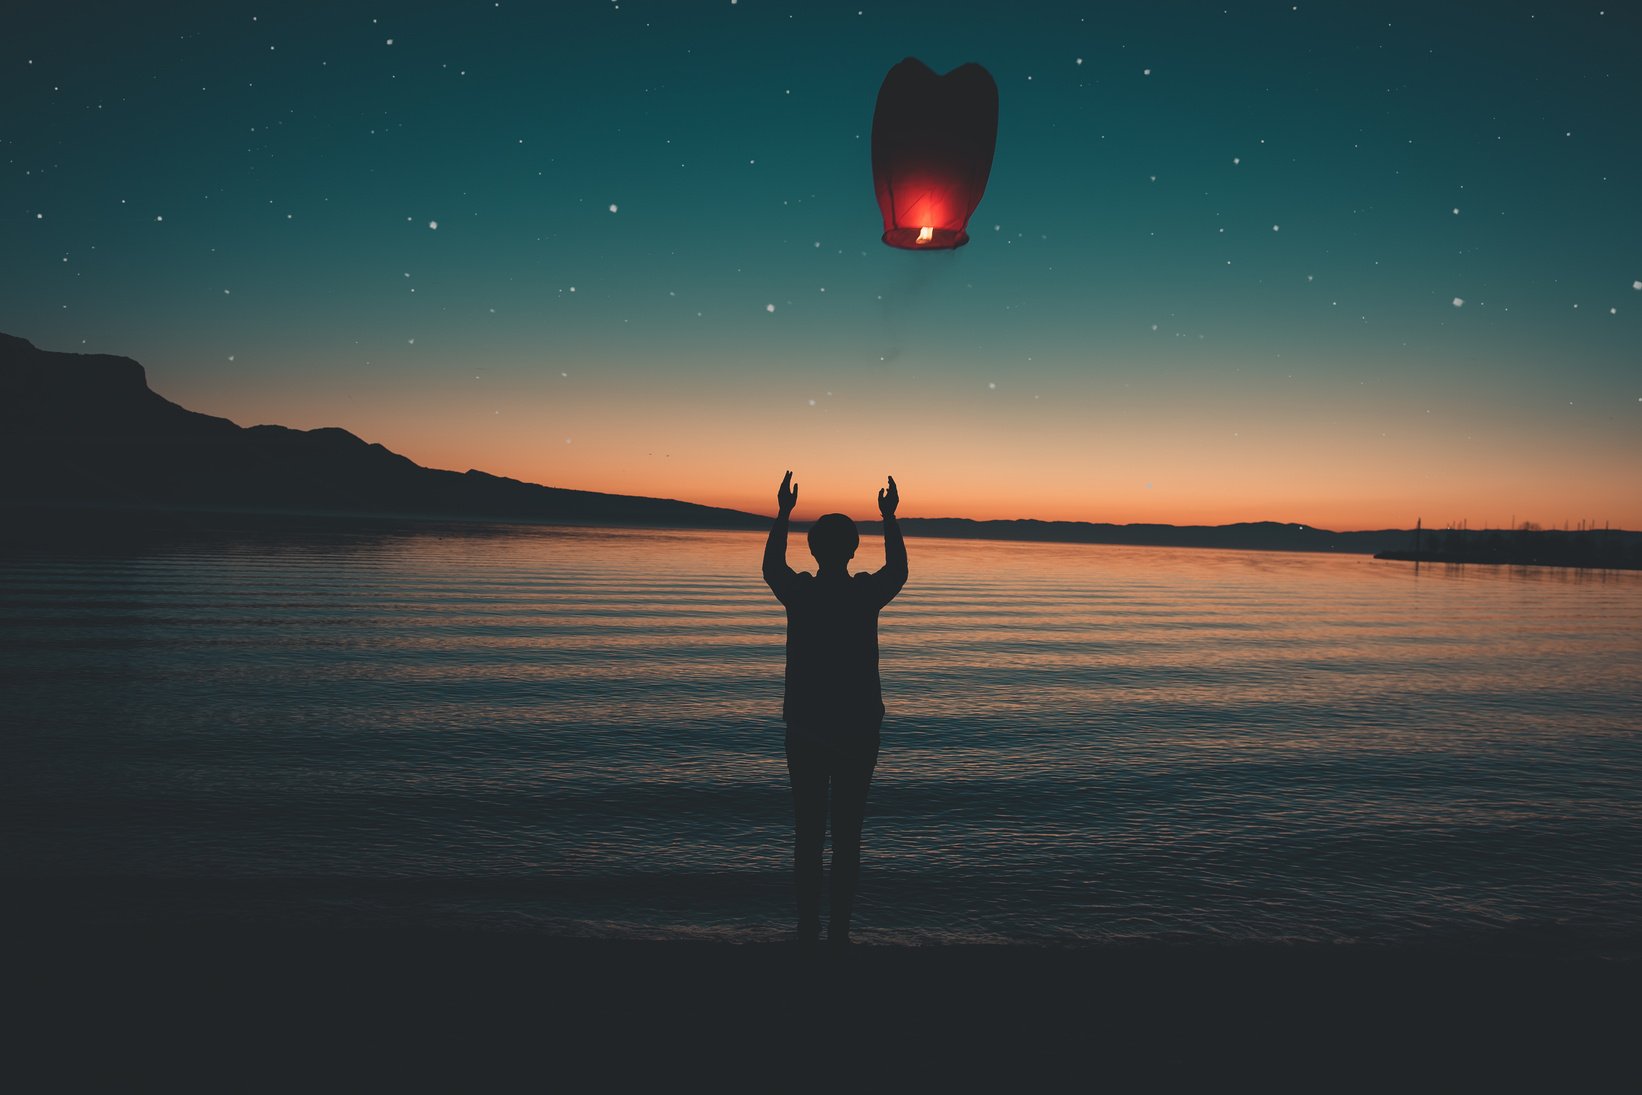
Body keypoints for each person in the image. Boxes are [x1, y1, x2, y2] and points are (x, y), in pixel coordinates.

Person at [762, 470, 907, 948]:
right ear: (851, 551)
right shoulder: (862, 594)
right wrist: (890, 518)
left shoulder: (802, 593)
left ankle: (808, 931)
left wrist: (783, 511)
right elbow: (899, 572)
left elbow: (771, 568)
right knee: (848, 835)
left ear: (814, 550)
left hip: (805, 728)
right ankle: (838, 934)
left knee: (808, 833)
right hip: (858, 729)